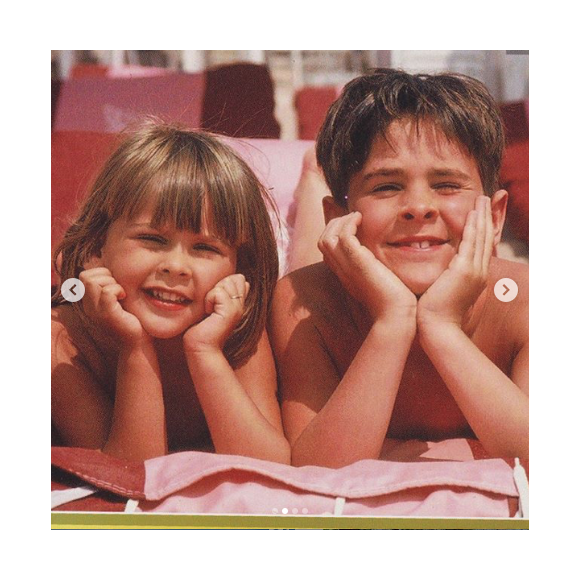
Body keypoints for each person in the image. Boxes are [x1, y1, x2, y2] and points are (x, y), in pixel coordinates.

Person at [271, 69, 529, 468]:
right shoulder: (303, 303)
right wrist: (392, 321)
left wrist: (442, 326)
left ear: (494, 218)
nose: (419, 206)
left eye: (446, 185)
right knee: (308, 257)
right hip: (335, 271)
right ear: (340, 216)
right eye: (386, 186)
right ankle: (314, 183)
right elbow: (318, 469)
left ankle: (316, 177)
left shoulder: (520, 303)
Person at [51, 120, 290, 464]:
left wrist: (206, 352)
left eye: (205, 248)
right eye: (152, 239)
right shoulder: (63, 339)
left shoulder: (236, 331)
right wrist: (133, 348)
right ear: (96, 246)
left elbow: (270, 467)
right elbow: (128, 476)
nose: (176, 266)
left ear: (239, 269)